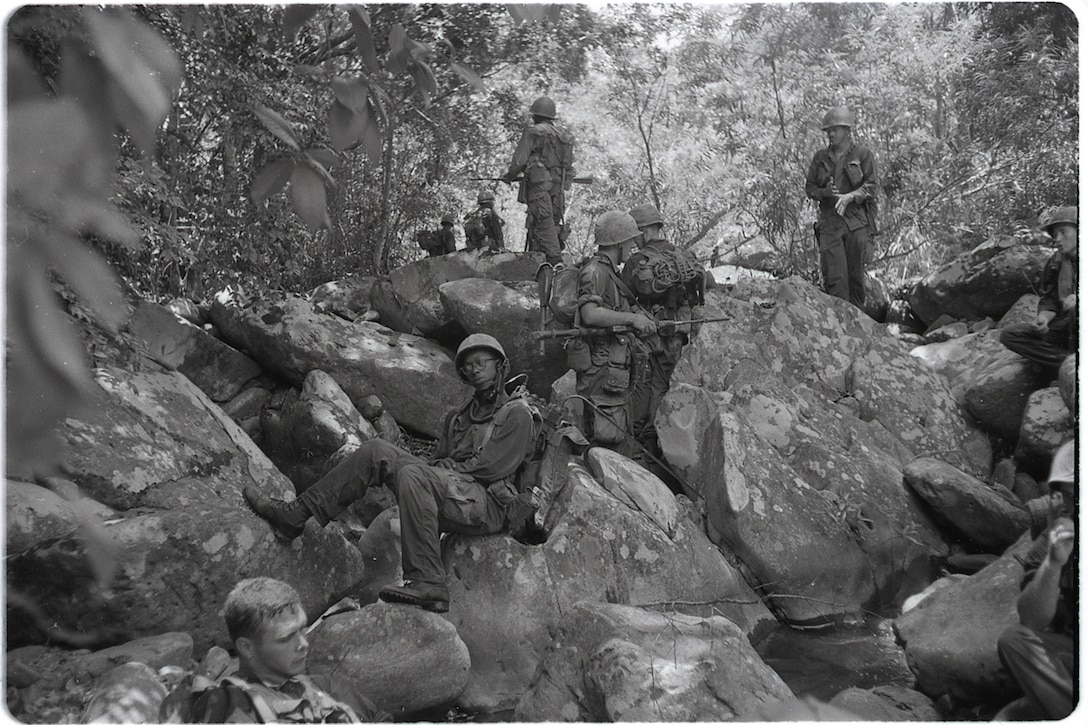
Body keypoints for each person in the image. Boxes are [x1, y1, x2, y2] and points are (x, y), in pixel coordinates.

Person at [242, 335, 536, 613]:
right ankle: (297, 514)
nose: (474, 371)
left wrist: (443, 470)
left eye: (480, 363)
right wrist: (439, 468)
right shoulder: (458, 417)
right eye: (468, 366)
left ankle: (429, 582)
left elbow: (493, 467)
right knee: (375, 450)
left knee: (412, 475)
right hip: (452, 492)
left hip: (489, 504)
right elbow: (440, 459)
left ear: (500, 365)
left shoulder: (516, 414)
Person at [159, 577, 387, 722]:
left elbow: (381, 719)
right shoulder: (232, 707)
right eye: (286, 637)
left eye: (302, 630)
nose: (303, 644)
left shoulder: (324, 685)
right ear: (247, 648)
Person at [996, 440, 1077, 720]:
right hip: (1070, 654)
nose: (1069, 504)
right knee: (1014, 641)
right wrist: (1054, 563)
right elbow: (1031, 621)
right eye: (1063, 495)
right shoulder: (1048, 543)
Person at [569, 209, 656, 453]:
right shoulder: (595, 271)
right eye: (629, 242)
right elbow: (590, 314)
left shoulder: (609, 272)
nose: (632, 248)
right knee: (602, 435)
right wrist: (632, 318)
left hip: (613, 367)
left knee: (615, 432)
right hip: (600, 368)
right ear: (618, 243)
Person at [622, 203, 706, 454]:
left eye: (634, 234)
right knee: (664, 387)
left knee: (640, 387)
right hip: (677, 334)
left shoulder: (638, 261)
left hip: (646, 336)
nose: (633, 240)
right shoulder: (683, 256)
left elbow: (622, 298)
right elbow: (699, 293)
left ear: (644, 231)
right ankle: (663, 443)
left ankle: (641, 443)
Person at [804, 106, 878, 308]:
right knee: (835, 280)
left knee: (856, 278)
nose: (831, 134)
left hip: (856, 225)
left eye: (835, 130)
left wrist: (850, 197)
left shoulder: (863, 154)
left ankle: (860, 328)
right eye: (828, 131)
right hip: (830, 225)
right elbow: (810, 188)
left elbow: (872, 187)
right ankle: (840, 330)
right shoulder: (820, 158)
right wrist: (824, 193)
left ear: (847, 131)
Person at [1000, 206, 1078, 370]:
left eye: (1063, 232)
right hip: (1066, 329)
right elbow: (1050, 300)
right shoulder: (1056, 263)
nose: (1058, 239)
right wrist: (1043, 319)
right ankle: (1067, 364)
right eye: (1055, 234)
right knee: (1011, 335)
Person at [503, 96, 575, 267]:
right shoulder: (562, 136)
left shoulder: (533, 132)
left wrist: (510, 175)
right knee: (552, 222)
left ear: (535, 115)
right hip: (558, 185)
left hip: (539, 184)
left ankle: (553, 260)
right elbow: (569, 164)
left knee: (542, 221)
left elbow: (520, 160)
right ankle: (548, 258)